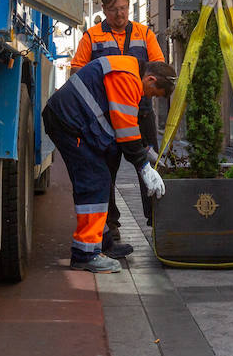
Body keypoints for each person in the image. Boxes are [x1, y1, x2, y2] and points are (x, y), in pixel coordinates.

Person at [42, 56, 178, 272]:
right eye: (153, 93)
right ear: (150, 79)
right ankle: (85, 254)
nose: (148, 98)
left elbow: (125, 123)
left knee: (99, 179)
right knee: (94, 181)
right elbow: (125, 130)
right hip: (69, 123)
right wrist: (143, 167)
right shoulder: (129, 78)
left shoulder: (128, 70)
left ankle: (102, 242)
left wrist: (145, 152)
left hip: (71, 120)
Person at [70, 0, 165, 250]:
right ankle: (111, 226)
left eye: (123, 8)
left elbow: (158, 64)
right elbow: (77, 69)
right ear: (104, 10)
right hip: (106, 118)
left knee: (148, 168)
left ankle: (156, 219)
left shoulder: (144, 34)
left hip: (140, 113)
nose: (120, 15)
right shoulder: (92, 36)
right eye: (114, 10)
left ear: (129, 6)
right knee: (105, 172)